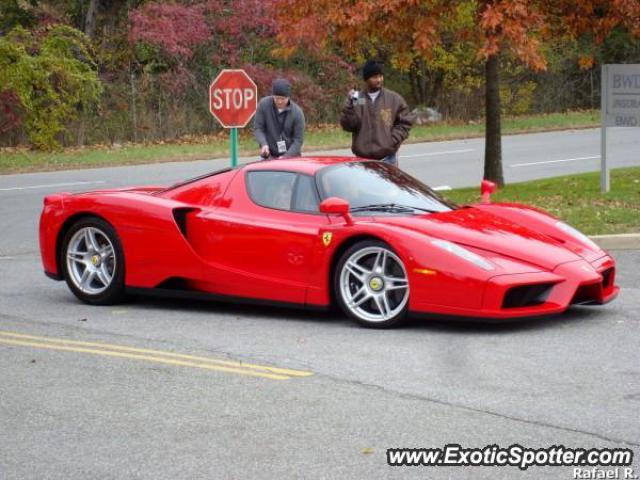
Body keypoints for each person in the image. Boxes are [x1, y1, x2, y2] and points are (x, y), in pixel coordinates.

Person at [340, 60, 414, 166]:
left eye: (380, 76)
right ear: (366, 79)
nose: (379, 80)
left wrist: (392, 140)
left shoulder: (393, 99)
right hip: (363, 161)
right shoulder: (359, 99)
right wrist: (349, 106)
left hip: (388, 160)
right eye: (374, 77)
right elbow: (348, 126)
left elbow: (406, 121)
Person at [253, 78, 305, 160]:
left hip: (291, 157)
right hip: (269, 155)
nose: (279, 101)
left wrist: (286, 157)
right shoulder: (263, 105)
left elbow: (298, 140)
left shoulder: (297, 113)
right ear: (272, 95)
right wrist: (263, 144)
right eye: (277, 98)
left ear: (288, 97)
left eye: (283, 99)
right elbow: (258, 128)